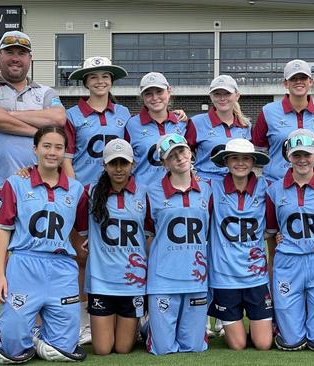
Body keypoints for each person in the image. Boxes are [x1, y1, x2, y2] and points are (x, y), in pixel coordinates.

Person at [0, 31, 66, 353]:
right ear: (0, 56)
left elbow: (58, 119)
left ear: (30, 58)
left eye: (22, 53)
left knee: (30, 259)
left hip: (37, 190)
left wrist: (9, 119)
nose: (16, 58)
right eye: (10, 52)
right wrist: (39, 128)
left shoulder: (46, 92)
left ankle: (27, 326)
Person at [0, 126, 87, 363]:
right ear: (35, 149)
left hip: (62, 267)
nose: (52, 152)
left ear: (65, 151)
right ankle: (1, 333)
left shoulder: (77, 190)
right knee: (11, 352)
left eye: (58, 147)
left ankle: (37, 334)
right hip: (24, 263)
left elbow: (79, 230)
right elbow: (2, 231)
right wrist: (0, 275)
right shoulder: (16, 183)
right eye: (46, 146)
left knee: (62, 350)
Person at [63, 56, 131, 345]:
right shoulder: (72, 115)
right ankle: (83, 321)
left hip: (116, 195)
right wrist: (77, 192)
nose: (100, 81)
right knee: (82, 258)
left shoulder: (124, 113)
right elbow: (67, 158)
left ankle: (122, 316)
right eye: (94, 77)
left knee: (116, 254)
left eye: (105, 76)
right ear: (85, 81)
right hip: (85, 196)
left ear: (111, 81)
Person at [265, 129, 314, 351]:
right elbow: (271, 230)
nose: (302, 160)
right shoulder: (274, 191)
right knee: (291, 341)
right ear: (288, 155)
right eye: (296, 155)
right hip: (288, 261)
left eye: (307, 154)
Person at [75, 139, 149, 355]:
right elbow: (80, 230)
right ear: (104, 165)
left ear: (132, 164)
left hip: (133, 282)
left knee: (124, 348)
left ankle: (144, 327)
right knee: (103, 349)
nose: (118, 168)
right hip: (101, 282)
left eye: (123, 163)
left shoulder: (144, 193)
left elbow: (150, 231)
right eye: (113, 163)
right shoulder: (90, 192)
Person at [145, 133, 212, 354]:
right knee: (163, 349)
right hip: (163, 277)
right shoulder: (151, 193)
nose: (179, 158)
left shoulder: (208, 189)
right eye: (171, 156)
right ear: (164, 163)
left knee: (194, 347)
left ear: (190, 151)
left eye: (181, 151)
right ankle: (148, 327)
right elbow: (148, 234)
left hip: (196, 277)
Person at [207, 138, 273, 350]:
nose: (240, 163)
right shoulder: (211, 188)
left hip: (256, 277)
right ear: (226, 161)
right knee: (238, 345)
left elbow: (278, 219)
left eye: (245, 158)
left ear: (253, 161)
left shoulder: (266, 188)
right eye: (234, 158)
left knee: (263, 344)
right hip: (225, 278)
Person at [252, 59, 314, 183]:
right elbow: (258, 151)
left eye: (303, 78)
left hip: (312, 186)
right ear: (286, 83)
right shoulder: (268, 111)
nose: (298, 81)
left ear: (310, 82)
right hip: (275, 182)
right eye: (293, 78)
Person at [186, 75, 252, 182]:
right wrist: (189, 173)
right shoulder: (196, 122)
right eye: (217, 94)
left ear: (237, 96)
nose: (222, 98)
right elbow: (183, 152)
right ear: (211, 97)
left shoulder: (246, 125)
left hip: (237, 184)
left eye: (227, 93)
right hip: (206, 184)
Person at [125, 72, 187, 185]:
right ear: (142, 97)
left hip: (177, 193)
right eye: (148, 94)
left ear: (169, 91)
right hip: (143, 194)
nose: (155, 98)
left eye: (159, 91)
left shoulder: (182, 122)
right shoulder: (130, 125)